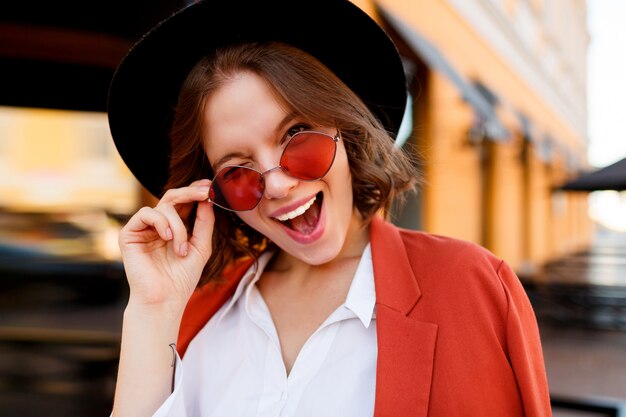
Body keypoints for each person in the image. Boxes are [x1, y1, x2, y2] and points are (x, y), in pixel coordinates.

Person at [106, 0, 552, 416]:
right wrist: (153, 310)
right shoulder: (196, 317)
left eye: (297, 138)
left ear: (348, 135)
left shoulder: (470, 286)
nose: (278, 185)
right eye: (237, 172)